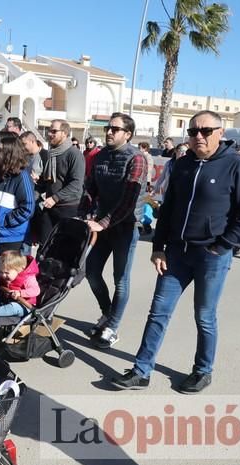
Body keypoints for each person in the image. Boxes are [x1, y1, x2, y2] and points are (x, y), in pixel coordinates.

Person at [112, 110, 240, 393]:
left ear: (221, 132)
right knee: (158, 312)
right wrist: (158, 247)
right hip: (177, 254)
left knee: (204, 316)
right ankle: (141, 370)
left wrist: (223, 245)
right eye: (193, 132)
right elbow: (168, 209)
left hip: (212, 256)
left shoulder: (237, 165)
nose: (199, 137)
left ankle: (203, 370)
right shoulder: (182, 165)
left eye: (205, 131)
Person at [79, 112, 148, 348]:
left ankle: (113, 327)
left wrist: (103, 222)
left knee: (121, 280)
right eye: (108, 127)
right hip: (102, 225)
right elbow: (91, 188)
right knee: (91, 272)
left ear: (127, 134)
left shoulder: (136, 159)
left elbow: (130, 200)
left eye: (115, 129)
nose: (109, 131)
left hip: (125, 227)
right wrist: (85, 212)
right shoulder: (100, 156)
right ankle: (107, 313)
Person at [0, 133, 35, 253]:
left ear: (10, 153)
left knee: (7, 272)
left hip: (10, 238)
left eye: (0, 150)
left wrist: (3, 221)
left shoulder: (21, 176)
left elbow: (27, 208)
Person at [37, 119, 85, 244]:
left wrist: (55, 198)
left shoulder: (74, 154)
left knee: (65, 250)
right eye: (49, 131)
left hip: (68, 208)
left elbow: (76, 183)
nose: (49, 134)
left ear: (64, 133)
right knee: (44, 246)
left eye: (54, 131)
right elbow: (50, 180)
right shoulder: (52, 153)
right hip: (49, 207)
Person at [0, 250, 40, 318]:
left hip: (26, 305)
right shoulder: (5, 275)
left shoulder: (28, 278)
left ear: (20, 269)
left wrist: (20, 293)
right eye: (1, 271)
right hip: (8, 299)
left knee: (14, 307)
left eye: (6, 273)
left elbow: (36, 290)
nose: (3, 275)